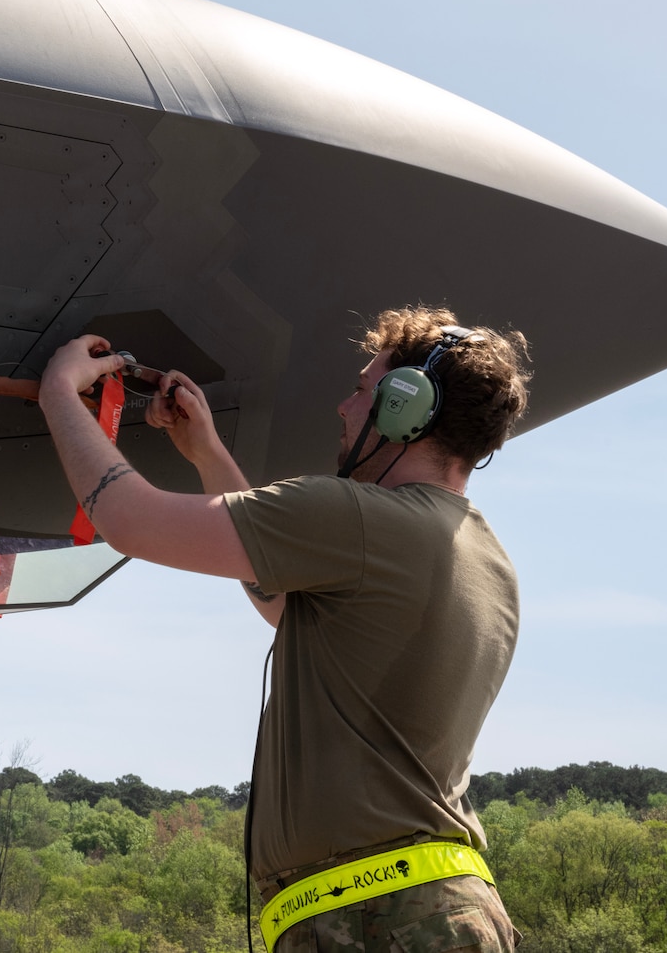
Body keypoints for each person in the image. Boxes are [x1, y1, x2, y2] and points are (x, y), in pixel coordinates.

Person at [40, 306, 532, 953]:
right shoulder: (481, 552)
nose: (342, 407)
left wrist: (59, 393)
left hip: (379, 916)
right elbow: (287, 605)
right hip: (417, 910)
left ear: (404, 408)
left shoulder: (358, 517)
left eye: (361, 390)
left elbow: (131, 520)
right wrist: (207, 453)